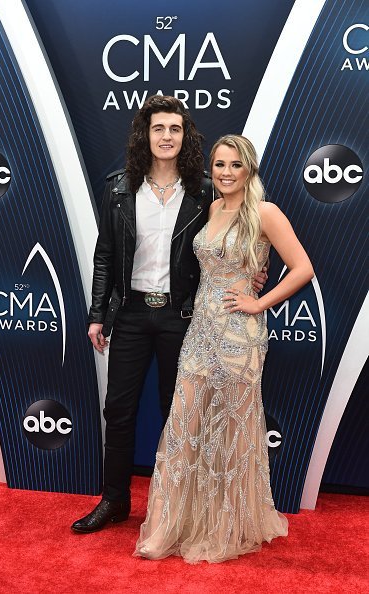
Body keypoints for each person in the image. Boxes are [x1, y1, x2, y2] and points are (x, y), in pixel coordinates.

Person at [71, 99, 266, 534]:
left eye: (174, 129)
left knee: (177, 413)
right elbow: (105, 255)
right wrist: (97, 313)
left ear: (185, 136)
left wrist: (252, 274)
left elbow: (236, 237)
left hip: (185, 317)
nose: (165, 136)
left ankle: (177, 511)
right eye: (157, 128)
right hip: (133, 314)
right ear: (145, 135)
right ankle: (114, 500)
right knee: (118, 410)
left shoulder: (204, 191)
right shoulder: (119, 188)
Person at [134, 134, 314, 563]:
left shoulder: (265, 212)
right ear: (210, 169)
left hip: (239, 337)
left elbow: (303, 267)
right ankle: (165, 528)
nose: (226, 173)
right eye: (219, 165)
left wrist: (259, 301)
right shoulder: (212, 208)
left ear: (249, 168)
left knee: (230, 432)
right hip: (200, 332)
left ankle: (226, 526)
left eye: (235, 165)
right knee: (184, 426)